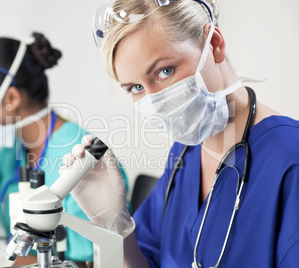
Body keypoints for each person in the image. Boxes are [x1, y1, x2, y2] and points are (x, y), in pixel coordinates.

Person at [61, 0, 299, 267]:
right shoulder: (185, 151)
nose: (155, 101)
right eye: (136, 87)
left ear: (215, 45)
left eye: (165, 71)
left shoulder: (290, 161)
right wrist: (115, 226)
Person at [0, 32, 131, 267]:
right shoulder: (13, 155)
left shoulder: (81, 156)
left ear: (10, 97)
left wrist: (0, 255)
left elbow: (91, 262)